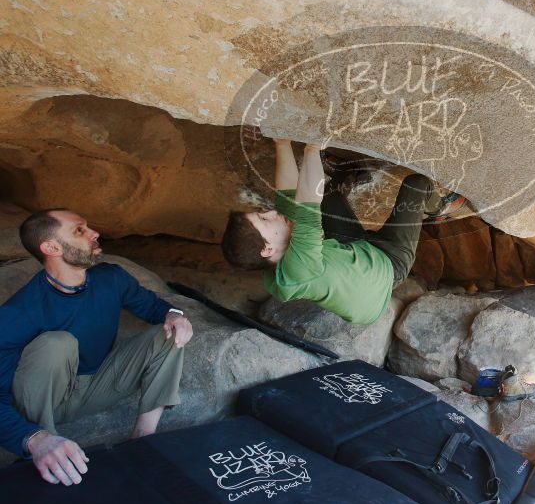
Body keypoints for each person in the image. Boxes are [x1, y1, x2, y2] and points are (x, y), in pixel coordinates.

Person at [0, 209, 193, 486]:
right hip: (44, 402)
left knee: (169, 333)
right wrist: (35, 440)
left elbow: (152, 306)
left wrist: (174, 314)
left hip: (97, 385)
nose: (94, 233)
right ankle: (51, 449)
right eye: (80, 230)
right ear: (51, 247)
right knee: (57, 343)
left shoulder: (110, 277)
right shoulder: (20, 311)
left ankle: (142, 441)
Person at [222, 139, 462, 325]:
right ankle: (440, 207)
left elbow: (288, 196)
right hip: (389, 264)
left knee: (321, 194)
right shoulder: (298, 270)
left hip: (351, 249)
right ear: (267, 249)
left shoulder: (277, 253)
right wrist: (312, 147)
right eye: (265, 220)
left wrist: (281, 142)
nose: (272, 213)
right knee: (416, 184)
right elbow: (308, 203)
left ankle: (351, 176)